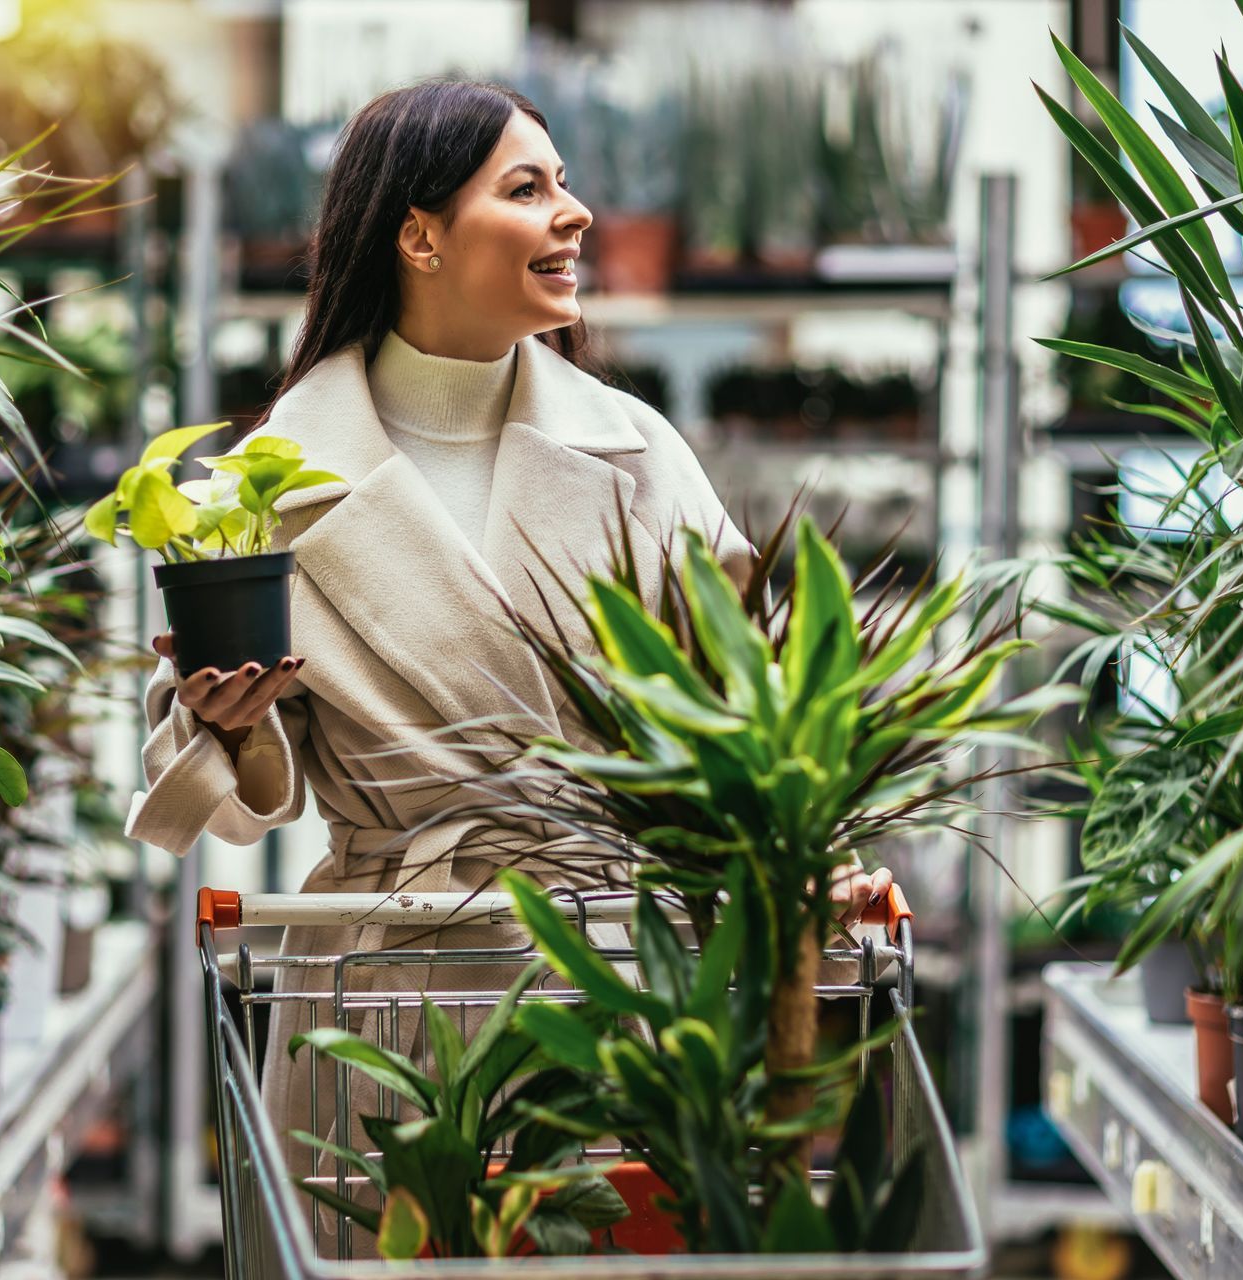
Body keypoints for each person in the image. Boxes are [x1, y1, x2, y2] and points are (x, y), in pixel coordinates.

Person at [127, 78, 892, 1198]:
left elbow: (753, 708)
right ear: (420, 235)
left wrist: (801, 853)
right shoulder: (269, 481)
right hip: (384, 999)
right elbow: (246, 801)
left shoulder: (633, 447)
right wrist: (228, 726)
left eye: (565, 185)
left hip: (617, 972)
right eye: (528, 188)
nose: (575, 214)